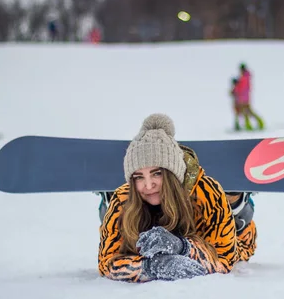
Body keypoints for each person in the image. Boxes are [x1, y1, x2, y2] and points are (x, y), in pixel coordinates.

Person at [98, 113, 258, 282]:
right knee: (121, 212)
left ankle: (239, 206)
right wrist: (151, 267)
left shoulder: (207, 192)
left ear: (171, 174)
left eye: (157, 174)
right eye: (139, 177)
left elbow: (225, 261)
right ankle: (105, 209)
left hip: (217, 234)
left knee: (238, 230)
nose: (148, 185)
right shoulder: (123, 197)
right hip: (133, 210)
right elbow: (106, 263)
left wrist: (182, 247)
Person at [231, 63, 264, 131]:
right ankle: (251, 125)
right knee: (246, 112)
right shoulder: (245, 77)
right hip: (244, 98)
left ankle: (257, 124)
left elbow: (241, 88)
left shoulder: (244, 78)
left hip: (243, 98)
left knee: (247, 112)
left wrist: (236, 85)